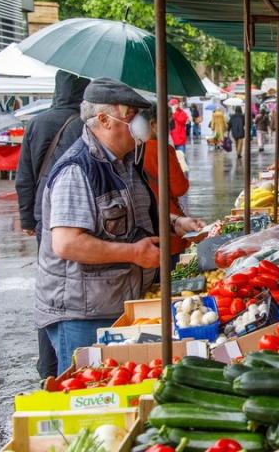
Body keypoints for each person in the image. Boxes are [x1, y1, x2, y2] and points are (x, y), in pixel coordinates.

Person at [35, 77, 205, 374]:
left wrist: (175, 221)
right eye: (131, 116)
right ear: (103, 120)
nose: (140, 124)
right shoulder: (77, 169)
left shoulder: (126, 163)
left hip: (116, 301)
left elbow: (131, 212)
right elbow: (66, 243)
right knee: (86, 387)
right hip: (82, 312)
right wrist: (132, 253)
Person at [15, 69, 90, 380]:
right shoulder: (84, 125)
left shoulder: (37, 122)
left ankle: (48, 365)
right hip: (75, 216)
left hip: (44, 215)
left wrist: (27, 217)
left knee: (49, 286)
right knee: (70, 291)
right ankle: (61, 363)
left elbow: (25, 175)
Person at [141, 104, 190, 268]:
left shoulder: (132, 149)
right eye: (167, 123)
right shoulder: (161, 149)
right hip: (168, 225)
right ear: (154, 124)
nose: (169, 128)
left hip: (143, 229)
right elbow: (179, 188)